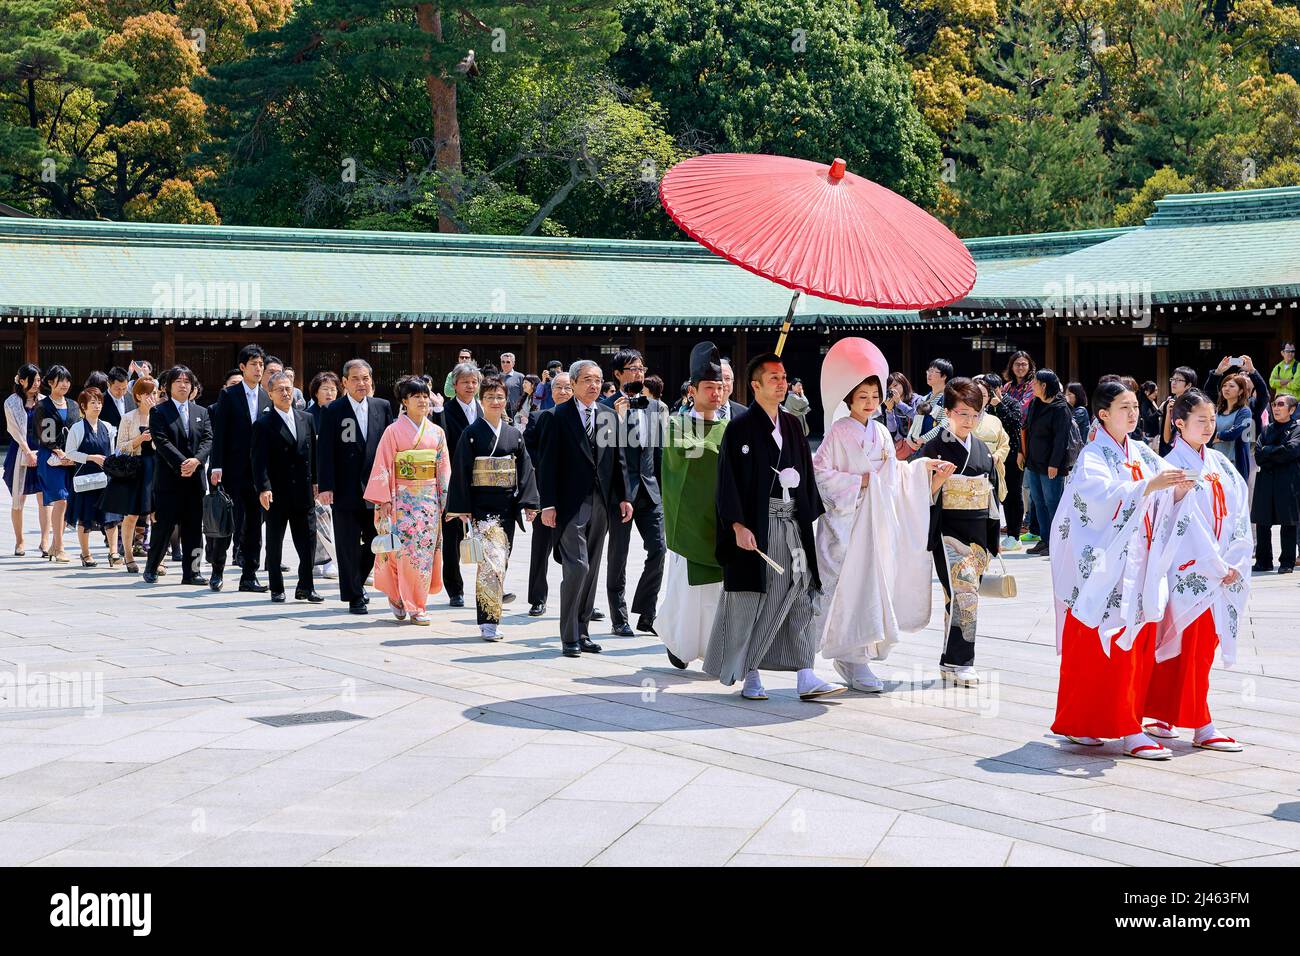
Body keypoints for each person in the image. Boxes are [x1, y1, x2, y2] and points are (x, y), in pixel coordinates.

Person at [1049, 381, 1192, 759]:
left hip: (1140, 562)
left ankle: (1126, 723)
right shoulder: (1093, 455)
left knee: (1135, 642)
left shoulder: (1142, 451)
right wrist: (1148, 486)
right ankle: (1095, 724)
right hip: (1105, 567)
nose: (1133, 413)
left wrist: (1179, 488)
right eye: (1124, 407)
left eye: (1134, 407)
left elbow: (1164, 485)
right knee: (1098, 646)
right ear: (1103, 414)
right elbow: (1096, 498)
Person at [704, 353, 841, 701]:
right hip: (758, 525)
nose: (783, 384)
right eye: (774, 378)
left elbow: (805, 475)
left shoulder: (793, 424)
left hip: (791, 522)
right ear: (755, 385)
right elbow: (727, 483)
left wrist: (810, 514)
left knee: (801, 594)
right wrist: (737, 525)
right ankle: (749, 673)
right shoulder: (739, 428)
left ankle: (805, 673)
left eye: (784, 377)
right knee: (756, 599)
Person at [813, 340, 940, 693]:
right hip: (851, 521)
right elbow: (820, 471)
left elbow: (895, 473)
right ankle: (846, 654)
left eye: (874, 395)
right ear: (849, 400)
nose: (869, 402)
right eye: (862, 396)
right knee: (851, 588)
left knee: (874, 587)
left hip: (878, 520)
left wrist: (922, 470)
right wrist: (859, 481)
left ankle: (860, 656)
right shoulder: (839, 432)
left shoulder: (882, 431)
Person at [1141, 388, 1250, 752]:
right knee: (1186, 645)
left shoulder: (1222, 464)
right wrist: (1215, 564)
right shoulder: (1167, 466)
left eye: (1211, 419)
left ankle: (1163, 713)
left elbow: (1238, 515)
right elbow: (1177, 521)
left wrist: (1233, 560)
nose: (1208, 426)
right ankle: (1201, 723)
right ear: (1179, 423)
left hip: (1220, 568)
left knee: (1200, 646)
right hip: (1186, 568)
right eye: (1199, 420)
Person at [537, 360, 631, 658]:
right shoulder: (556, 416)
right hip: (569, 503)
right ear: (574, 384)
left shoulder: (607, 416)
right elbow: (547, 465)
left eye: (598, 380)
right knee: (578, 566)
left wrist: (624, 497)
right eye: (587, 380)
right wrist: (547, 504)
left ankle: (583, 630)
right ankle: (569, 636)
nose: (594, 385)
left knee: (591, 568)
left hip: (601, 502)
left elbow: (618, 460)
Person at [916, 377, 1001, 685]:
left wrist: (994, 537)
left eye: (974, 414)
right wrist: (936, 482)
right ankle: (961, 661)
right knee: (965, 594)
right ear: (948, 412)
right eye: (962, 413)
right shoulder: (935, 446)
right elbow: (916, 489)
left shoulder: (981, 449)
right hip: (948, 529)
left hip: (978, 528)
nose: (969, 420)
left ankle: (949, 660)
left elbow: (992, 494)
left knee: (961, 596)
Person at [446, 374, 539, 640]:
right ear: (481, 401)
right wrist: (461, 506)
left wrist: (530, 503)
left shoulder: (513, 435)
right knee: (491, 563)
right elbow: (462, 471)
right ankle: (489, 621)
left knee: (500, 561)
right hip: (482, 509)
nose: (496, 401)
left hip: (507, 507)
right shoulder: (472, 434)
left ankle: (492, 610)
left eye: (500, 397)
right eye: (490, 397)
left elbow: (525, 470)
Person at [658, 343, 730, 670]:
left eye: (721, 387)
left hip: (721, 523)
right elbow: (689, 463)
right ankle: (678, 643)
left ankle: (714, 649)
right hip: (690, 525)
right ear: (693, 390)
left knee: (718, 594)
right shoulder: (677, 425)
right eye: (710, 388)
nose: (717, 394)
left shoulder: (731, 428)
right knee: (687, 593)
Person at [364, 377, 451, 624]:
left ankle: (417, 604)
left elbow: (443, 469)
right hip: (400, 501)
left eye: (425, 396)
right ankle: (397, 595)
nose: (423, 401)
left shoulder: (437, 432)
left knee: (422, 556)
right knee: (399, 552)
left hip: (428, 504)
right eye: (416, 397)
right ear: (404, 401)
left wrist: (445, 500)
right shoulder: (393, 431)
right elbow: (383, 465)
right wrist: (385, 500)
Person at [318, 359, 395, 614]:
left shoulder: (382, 407)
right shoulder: (332, 410)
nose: (361, 384)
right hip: (345, 487)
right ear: (345, 382)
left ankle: (357, 580)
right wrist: (326, 486)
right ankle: (354, 596)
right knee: (347, 544)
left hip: (376, 489)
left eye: (366, 378)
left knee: (377, 540)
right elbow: (325, 451)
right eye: (355, 379)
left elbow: (390, 449)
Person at [601, 348, 666, 638]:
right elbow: (604, 453)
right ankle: (619, 616)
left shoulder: (654, 407)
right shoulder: (604, 408)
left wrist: (665, 492)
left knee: (659, 549)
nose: (638, 374)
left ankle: (646, 612)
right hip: (620, 494)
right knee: (619, 556)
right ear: (617, 374)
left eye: (641, 369)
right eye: (631, 369)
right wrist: (615, 417)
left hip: (650, 491)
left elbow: (658, 452)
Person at [251, 371, 321, 604]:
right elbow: (258, 460)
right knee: (275, 542)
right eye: (279, 389)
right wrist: (263, 487)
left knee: (308, 541)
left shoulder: (306, 418)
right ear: (270, 393)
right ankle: (276, 587)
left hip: (303, 492)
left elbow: (313, 454)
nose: (285, 392)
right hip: (277, 492)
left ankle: (305, 586)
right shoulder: (263, 424)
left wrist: (316, 482)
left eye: (288, 388)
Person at [208, 344, 272, 593]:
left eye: (261, 364)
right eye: (254, 364)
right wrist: (216, 466)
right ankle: (217, 570)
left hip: (258, 473)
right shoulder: (229, 395)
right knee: (228, 522)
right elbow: (220, 433)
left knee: (255, 526)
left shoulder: (268, 396)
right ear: (243, 367)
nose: (258, 368)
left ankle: (249, 575)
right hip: (233, 469)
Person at [143, 366, 212, 585]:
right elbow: (161, 441)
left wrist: (197, 461)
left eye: (187, 382)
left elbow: (208, 439)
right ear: (168, 386)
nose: (183, 385)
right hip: (169, 480)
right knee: (164, 527)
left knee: (194, 529)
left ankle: (193, 572)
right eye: (178, 381)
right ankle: (152, 567)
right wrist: (182, 463)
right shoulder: (159, 412)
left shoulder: (202, 412)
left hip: (195, 480)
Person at [433, 362, 483, 609]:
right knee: (452, 538)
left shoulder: (486, 408)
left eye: (474, 382)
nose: (470, 386)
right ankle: (455, 588)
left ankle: (490, 585)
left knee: (488, 534)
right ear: (454, 385)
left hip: (483, 482)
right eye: (465, 382)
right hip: (454, 481)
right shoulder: (445, 411)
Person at [522, 371, 572, 617]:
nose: (562, 392)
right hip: (545, 493)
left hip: (574, 495)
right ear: (551, 392)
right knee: (540, 546)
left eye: (567, 388)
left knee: (577, 551)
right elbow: (527, 453)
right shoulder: (538, 417)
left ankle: (582, 598)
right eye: (557, 388)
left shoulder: (584, 419)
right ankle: (537, 598)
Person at [62, 387, 122, 568]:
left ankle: (114, 552)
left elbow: (112, 452)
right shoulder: (77, 428)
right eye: (93, 403)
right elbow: (70, 453)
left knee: (111, 517)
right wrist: (90, 458)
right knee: (85, 518)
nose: (97, 406)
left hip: (105, 479)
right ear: (83, 406)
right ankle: (86, 554)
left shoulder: (108, 427)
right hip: (86, 480)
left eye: (99, 402)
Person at [107, 377, 158, 574]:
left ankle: (157, 558)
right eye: (148, 393)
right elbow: (120, 448)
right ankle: (128, 555)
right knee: (132, 515)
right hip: (135, 468)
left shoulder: (159, 415)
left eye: (155, 393)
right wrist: (139, 440)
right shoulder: (128, 417)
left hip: (156, 468)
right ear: (138, 395)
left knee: (157, 514)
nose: (152, 397)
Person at [1021, 369, 1074, 557]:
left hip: (1052, 465)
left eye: (1034, 383)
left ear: (1044, 385)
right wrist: (1023, 453)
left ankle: (1057, 542)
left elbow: (1061, 439)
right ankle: (1044, 539)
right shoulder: (1036, 402)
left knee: (1053, 503)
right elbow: (1028, 429)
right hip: (1034, 462)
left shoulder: (1061, 408)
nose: (1031, 386)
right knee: (1038, 502)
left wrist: (1054, 464)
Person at [35, 365, 79, 564]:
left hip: (71, 459)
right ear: (50, 382)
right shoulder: (43, 406)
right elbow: (45, 435)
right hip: (51, 458)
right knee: (60, 499)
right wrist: (61, 453)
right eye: (61, 380)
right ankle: (60, 547)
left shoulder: (73, 404)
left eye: (67, 380)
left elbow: (78, 431)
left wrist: (74, 455)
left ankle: (54, 545)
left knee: (67, 501)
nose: (65, 384)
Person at [1251, 394, 1300, 574]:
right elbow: (1258, 454)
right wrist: (1273, 453)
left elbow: (1292, 450)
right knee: (1263, 521)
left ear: (1292, 410)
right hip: (1265, 480)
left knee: (1288, 523)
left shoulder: (1297, 429)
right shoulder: (1266, 429)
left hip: (1288, 482)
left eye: (1281, 404)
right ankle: (1263, 561)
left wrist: (1268, 451)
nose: (1276, 408)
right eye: (1274, 404)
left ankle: (1287, 561)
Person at [5, 364, 47, 557]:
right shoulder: (11, 402)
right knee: (18, 499)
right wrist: (28, 452)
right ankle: (20, 540)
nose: (37, 384)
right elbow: (13, 430)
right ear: (21, 380)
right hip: (20, 451)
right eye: (33, 380)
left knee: (44, 499)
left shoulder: (45, 402)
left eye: (39, 380)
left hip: (43, 451)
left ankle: (45, 541)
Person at [978, 372, 1024, 551]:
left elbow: (1016, 424)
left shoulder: (1011, 403)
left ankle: (1015, 534)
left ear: (999, 388)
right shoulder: (983, 407)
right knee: (996, 496)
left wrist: (1001, 406)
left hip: (1011, 456)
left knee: (1013, 494)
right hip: (990, 458)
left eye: (991, 390)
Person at [306, 371, 341, 580]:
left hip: (339, 475)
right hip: (317, 476)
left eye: (333, 389)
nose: (330, 393)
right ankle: (325, 561)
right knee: (321, 519)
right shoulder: (309, 415)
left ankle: (323, 559)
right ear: (315, 392)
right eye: (325, 389)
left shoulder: (340, 412)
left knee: (330, 519)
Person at [1210, 372, 1254, 482]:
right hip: (1216, 461)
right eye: (1224, 385)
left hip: (1235, 463)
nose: (1226, 389)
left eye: (1231, 386)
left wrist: (1217, 436)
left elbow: (1234, 433)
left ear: (1241, 391)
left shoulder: (1245, 411)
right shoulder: (1218, 411)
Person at [1206, 355, 1270, 426]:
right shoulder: (1223, 402)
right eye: (1241, 374)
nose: (1243, 377)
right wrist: (1218, 372)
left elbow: (1263, 394)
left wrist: (1252, 370)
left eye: (1248, 375)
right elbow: (1209, 393)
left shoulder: (1254, 404)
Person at [906, 358, 953, 448]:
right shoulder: (924, 399)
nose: (929, 374)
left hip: (937, 448)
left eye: (934, 371)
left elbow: (946, 423)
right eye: (928, 371)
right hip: (921, 448)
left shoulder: (948, 398)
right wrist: (909, 438)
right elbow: (916, 421)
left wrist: (924, 439)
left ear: (944, 376)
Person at [1160, 367, 1198, 456]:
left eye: (1178, 380)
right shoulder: (1169, 404)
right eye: (1172, 379)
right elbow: (1167, 439)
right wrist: (1169, 414)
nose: (1173, 382)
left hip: (1191, 451)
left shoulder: (1194, 404)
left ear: (1188, 385)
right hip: (1172, 451)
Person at [880, 371, 916, 454]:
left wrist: (900, 403)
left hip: (916, 447)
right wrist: (889, 410)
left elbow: (918, 418)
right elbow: (892, 431)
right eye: (889, 388)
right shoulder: (892, 404)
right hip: (901, 448)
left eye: (895, 385)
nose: (893, 389)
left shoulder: (917, 400)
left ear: (904, 384)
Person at [1002, 351, 1036, 416]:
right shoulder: (1007, 386)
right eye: (1017, 364)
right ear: (1011, 367)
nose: (1020, 368)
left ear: (1029, 367)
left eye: (1024, 364)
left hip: (1027, 425)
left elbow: (1022, 408)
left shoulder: (1033, 385)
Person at [498, 352, 525, 419]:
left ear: (513, 363)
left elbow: (525, 395)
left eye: (508, 362)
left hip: (516, 413)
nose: (505, 364)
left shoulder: (520, 377)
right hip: (500, 411)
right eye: (503, 362)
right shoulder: (497, 378)